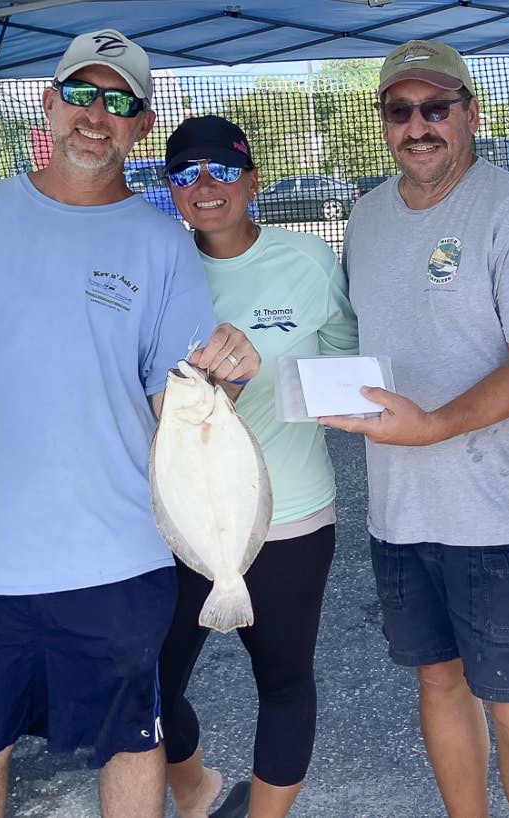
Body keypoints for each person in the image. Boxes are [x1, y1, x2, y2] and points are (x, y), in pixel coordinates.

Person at [0, 29, 259, 818]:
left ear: (141, 123)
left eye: (121, 102)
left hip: (118, 558)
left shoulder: (161, 246)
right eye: (83, 94)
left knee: (133, 746)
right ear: (49, 102)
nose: (98, 116)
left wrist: (225, 384)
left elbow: (184, 407)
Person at [320, 39, 509, 818]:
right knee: (437, 679)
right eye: (400, 110)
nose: (418, 125)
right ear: (384, 122)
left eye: (437, 107)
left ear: (471, 112)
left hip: (501, 515)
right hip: (400, 511)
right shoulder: (365, 216)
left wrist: (434, 425)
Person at [153, 114, 358, 818]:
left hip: (289, 514)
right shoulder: (155, 264)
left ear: (251, 179)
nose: (204, 186)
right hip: (174, 516)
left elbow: (348, 367)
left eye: (219, 169)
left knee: (283, 679)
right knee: (149, 685)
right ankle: (195, 791)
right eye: (184, 174)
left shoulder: (307, 260)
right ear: (170, 191)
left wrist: (261, 382)